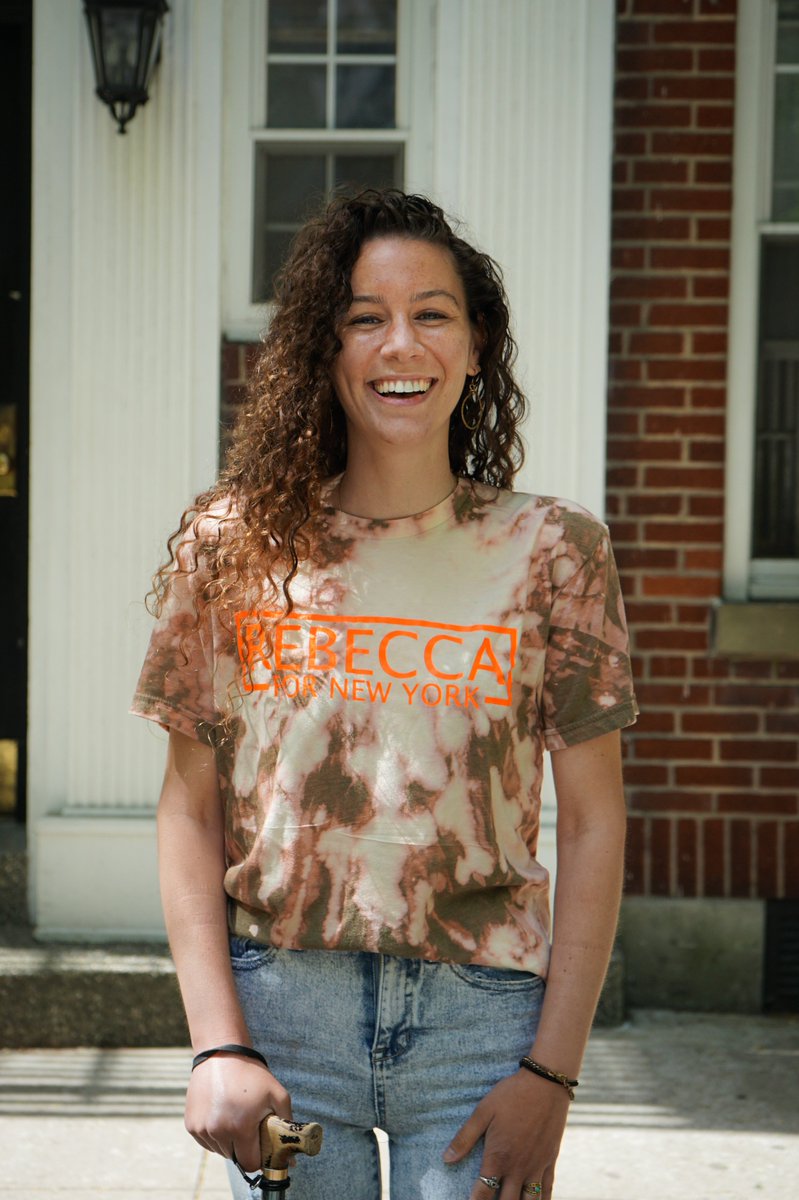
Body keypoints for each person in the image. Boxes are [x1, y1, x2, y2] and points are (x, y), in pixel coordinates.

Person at [131, 189, 637, 1200]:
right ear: (324, 350)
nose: (399, 344)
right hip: (283, 1018)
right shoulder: (233, 547)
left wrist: (552, 1073)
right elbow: (189, 808)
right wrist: (217, 1045)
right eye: (365, 317)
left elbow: (592, 820)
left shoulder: (553, 551)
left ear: (476, 345)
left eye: (431, 313)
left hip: (482, 1026)